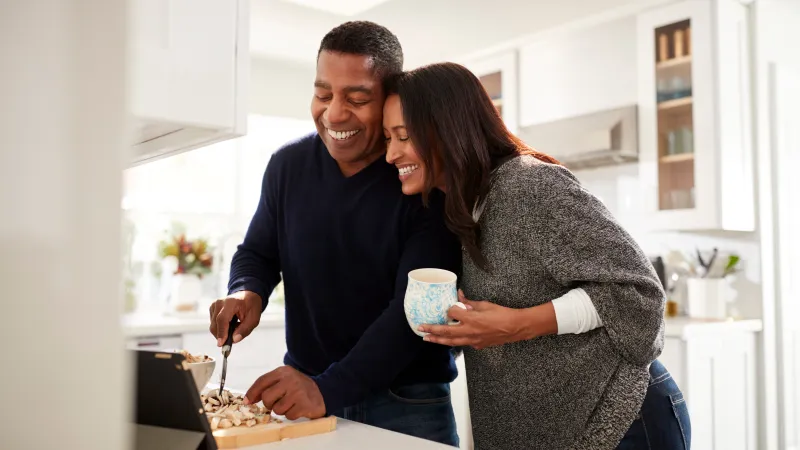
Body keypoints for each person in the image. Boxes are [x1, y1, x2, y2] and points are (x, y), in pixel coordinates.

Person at [383, 62, 692, 450]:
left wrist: (518, 324)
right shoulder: (460, 208)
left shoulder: (529, 186)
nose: (391, 154)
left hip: (618, 421)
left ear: (447, 127)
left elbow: (638, 295)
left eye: (403, 136)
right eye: (386, 138)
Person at [208, 22, 462, 447]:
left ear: (390, 100)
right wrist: (246, 291)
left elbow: (412, 313)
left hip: (405, 403)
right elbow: (258, 252)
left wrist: (329, 389)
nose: (334, 113)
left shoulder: (420, 177)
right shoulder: (286, 166)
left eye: (357, 98)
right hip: (306, 392)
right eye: (323, 94)